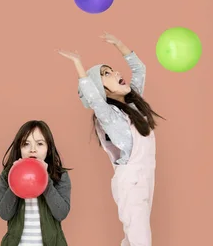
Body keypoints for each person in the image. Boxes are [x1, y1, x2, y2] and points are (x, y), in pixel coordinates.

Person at [58, 32, 163, 246]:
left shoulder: (133, 105)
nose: (115, 72)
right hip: (131, 182)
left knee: (134, 238)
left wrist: (119, 44)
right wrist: (79, 65)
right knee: (140, 239)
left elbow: (139, 70)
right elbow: (94, 100)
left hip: (146, 177)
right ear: (101, 89)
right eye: (106, 74)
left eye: (112, 69)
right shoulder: (108, 116)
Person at [0, 120, 71, 246]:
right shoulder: (7, 175)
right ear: (19, 149)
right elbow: (4, 213)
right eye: (26, 144)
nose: (33, 150)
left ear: (48, 149)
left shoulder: (59, 175)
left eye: (40, 144)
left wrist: (45, 180)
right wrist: (15, 180)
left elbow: (61, 213)